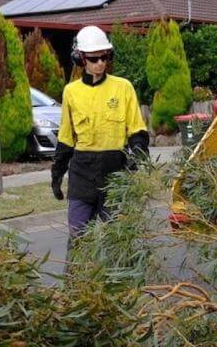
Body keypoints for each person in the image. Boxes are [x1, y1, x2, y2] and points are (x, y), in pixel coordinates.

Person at [51, 25, 149, 239]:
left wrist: (138, 155)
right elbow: (66, 137)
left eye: (105, 57)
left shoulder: (123, 88)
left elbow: (136, 129)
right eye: (94, 59)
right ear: (81, 59)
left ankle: (121, 272)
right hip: (82, 173)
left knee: (118, 239)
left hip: (115, 170)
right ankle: (77, 273)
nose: (101, 63)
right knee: (78, 236)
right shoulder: (71, 92)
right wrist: (57, 174)